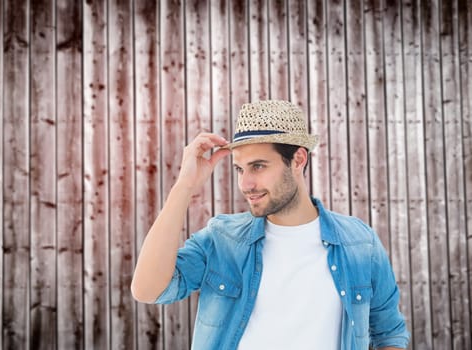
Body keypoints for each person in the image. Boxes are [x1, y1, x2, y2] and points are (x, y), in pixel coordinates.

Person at [131, 100, 410, 349]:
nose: (245, 184)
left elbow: (389, 334)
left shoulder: (359, 243)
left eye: (259, 166)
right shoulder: (223, 239)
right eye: (240, 169)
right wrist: (184, 186)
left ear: (298, 159)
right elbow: (147, 290)